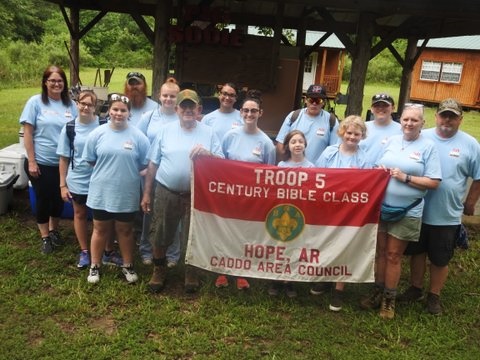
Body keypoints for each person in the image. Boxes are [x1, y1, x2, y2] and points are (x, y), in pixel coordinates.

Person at [398, 98, 480, 315]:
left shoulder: (471, 144)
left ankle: (434, 295)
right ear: (435, 117)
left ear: (460, 119)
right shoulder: (421, 137)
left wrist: (470, 201)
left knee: (440, 257)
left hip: (447, 212)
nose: (447, 120)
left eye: (452, 116)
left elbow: (478, 177)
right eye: (444, 115)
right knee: (417, 252)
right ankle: (415, 288)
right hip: (416, 208)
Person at [361, 103, 442, 319]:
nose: (409, 123)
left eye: (414, 120)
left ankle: (389, 300)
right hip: (381, 206)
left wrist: (405, 177)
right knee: (380, 252)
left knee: (394, 255)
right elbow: (379, 165)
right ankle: (377, 291)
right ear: (400, 120)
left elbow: (433, 182)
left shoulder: (428, 146)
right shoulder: (392, 141)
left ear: (422, 123)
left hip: (407, 210)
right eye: (406, 119)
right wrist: (379, 171)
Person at [141, 89, 223, 294]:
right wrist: (146, 193)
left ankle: (191, 271)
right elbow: (153, 164)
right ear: (177, 109)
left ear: (199, 109)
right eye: (183, 106)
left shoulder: (209, 132)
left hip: (196, 194)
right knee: (160, 232)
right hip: (166, 191)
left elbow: (222, 163)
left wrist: (208, 154)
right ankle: (159, 269)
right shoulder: (165, 131)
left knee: (192, 235)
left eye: (192, 106)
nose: (188, 110)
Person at [83, 94, 150, 284]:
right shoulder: (97, 134)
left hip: (126, 192)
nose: (119, 113)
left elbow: (144, 163)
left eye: (123, 110)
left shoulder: (139, 137)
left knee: (125, 229)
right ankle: (95, 266)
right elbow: (90, 159)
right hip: (101, 191)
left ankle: (127, 265)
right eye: (115, 109)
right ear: (109, 111)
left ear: (129, 113)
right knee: (100, 229)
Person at [215, 89, 276, 291]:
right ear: (240, 112)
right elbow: (220, 163)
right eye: (246, 110)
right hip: (229, 195)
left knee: (245, 233)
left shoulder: (267, 143)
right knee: (226, 231)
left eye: (254, 111)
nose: (249, 115)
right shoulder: (230, 137)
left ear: (261, 113)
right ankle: (222, 270)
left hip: (251, 199)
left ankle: (241, 272)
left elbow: (270, 174)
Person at [20, 65, 78, 254]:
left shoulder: (70, 105)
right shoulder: (35, 102)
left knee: (58, 200)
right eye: (52, 80)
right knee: (44, 200)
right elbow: (27, 133)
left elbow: (79, 130)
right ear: (45, 82)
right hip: (41, 163)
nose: (56, 84)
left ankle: (54, 230)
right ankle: (45, 237)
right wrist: (32, 161)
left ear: (64, 83)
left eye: (60, 80)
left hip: (63, 163)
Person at [314, 115, 370, 311]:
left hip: (349, 212)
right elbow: (317, 176)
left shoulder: (364, 158)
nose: (352, 136)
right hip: (327, 208)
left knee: (344, 247)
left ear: (362, 136)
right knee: (326, 243)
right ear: (342, 132)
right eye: (349, 132)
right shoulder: (329, 152)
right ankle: (325, 279)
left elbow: (368, 186)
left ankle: (339, 288)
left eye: (357, 133)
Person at [136, 77, 182, 267]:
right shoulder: (149, 117)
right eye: (165, 95)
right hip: (151, 173)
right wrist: (143, 167)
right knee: (149, 212)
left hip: (172, 175)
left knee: (174, 215)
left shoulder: (181, 117)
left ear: (178, 98)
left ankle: (173, 253)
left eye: (172, 96)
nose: (168, 99)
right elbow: (137, 141)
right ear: (159, 96)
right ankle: (146, 249)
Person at [269, 129, 313, 298]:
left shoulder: (311, 168)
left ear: (305, 144)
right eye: (293, 142)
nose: (297, 145)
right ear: (287, 146)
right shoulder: (281, 166)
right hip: (282, 212)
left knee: (296, 246)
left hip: (301, 213)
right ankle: (276, 279)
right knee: (280, 246)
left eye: (300, 141)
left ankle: (290, 281)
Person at [275, 84, 339, 164]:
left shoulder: (331, 121)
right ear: (305, 100)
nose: (314, 103)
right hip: (293, 170)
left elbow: (335, 150)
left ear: (324, 103)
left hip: (318, 172)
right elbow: (281, 144)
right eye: (311, 100)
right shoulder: (293, 116)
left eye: (318, 100)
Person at [360, 93, 402, 164]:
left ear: (393, 108)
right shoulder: (361, 127)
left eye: (385, 105)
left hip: (388, 173)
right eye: (377, 106)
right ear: (372, 109)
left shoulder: (402, 130)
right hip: (362, 172)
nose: (380, 108)